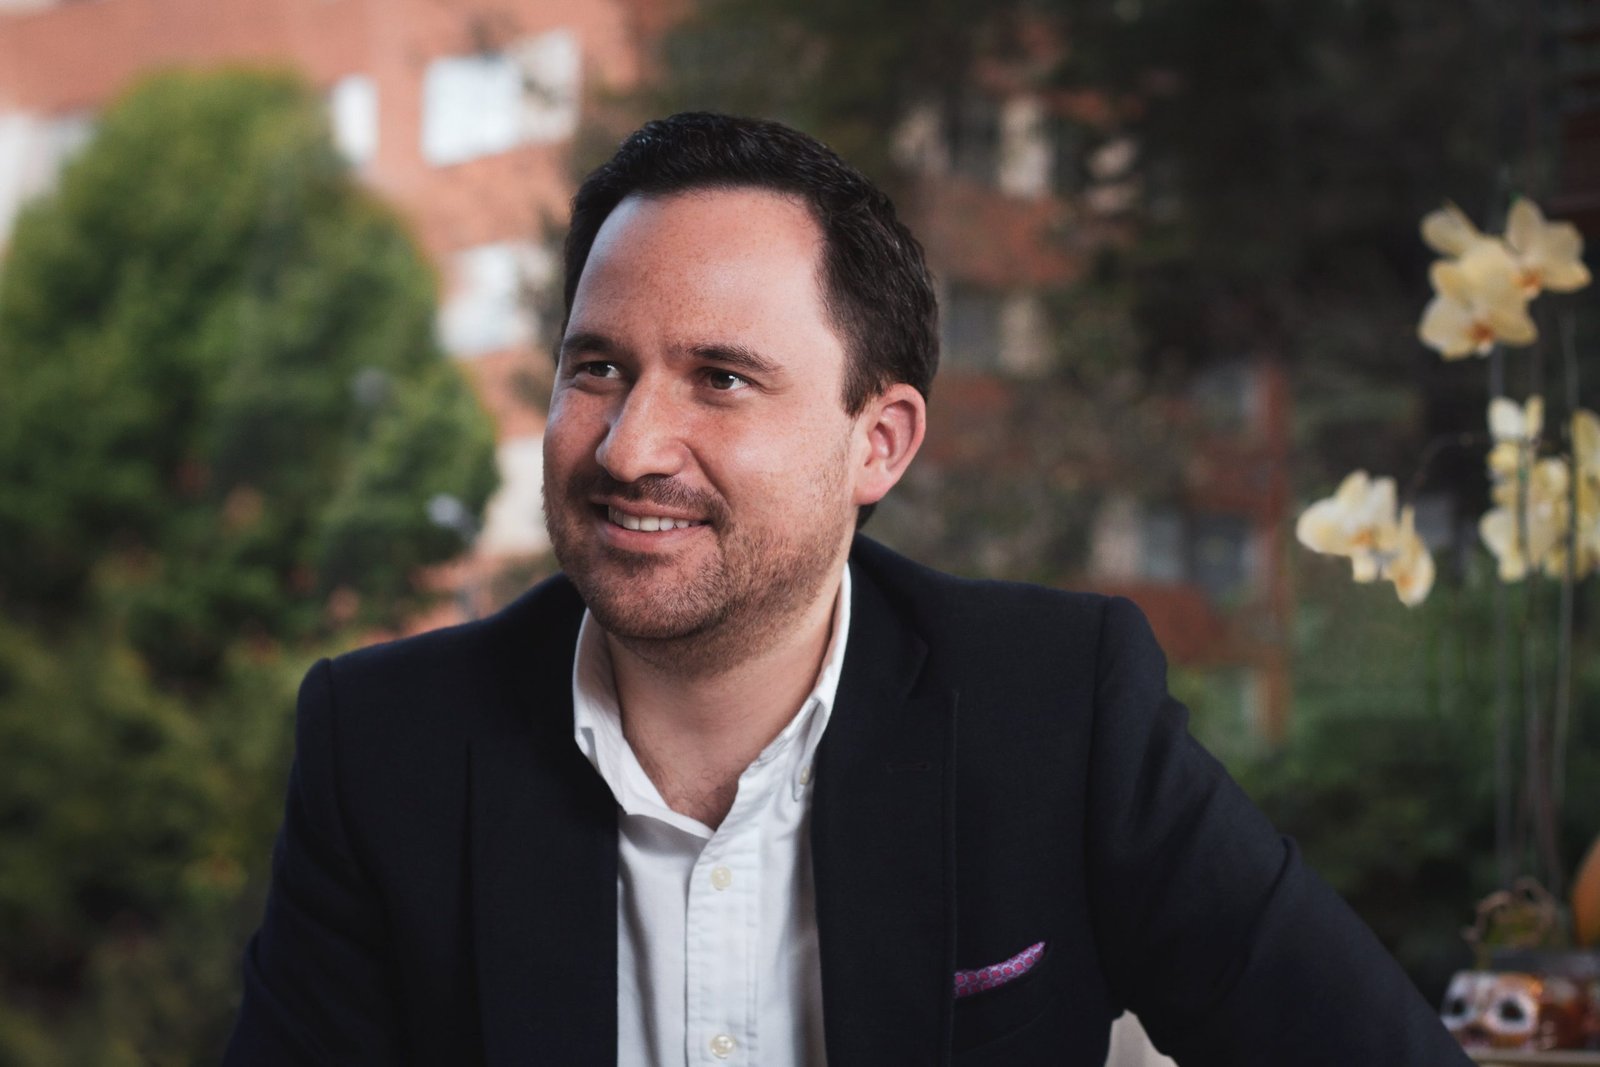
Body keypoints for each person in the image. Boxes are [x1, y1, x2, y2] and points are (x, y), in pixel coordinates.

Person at [225, 112, 1473, 1066]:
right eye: (596, 366)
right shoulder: (384, 743)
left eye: (720, 379)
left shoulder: (1055, 710)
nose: (629, 444)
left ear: (878, 443)